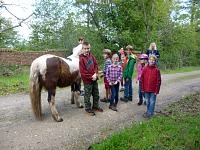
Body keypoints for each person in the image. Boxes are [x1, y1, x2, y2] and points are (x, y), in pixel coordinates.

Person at [79, 41, 103, 116]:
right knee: (87, 95)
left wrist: (95, 74)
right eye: (85, 48)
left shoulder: (92, 56)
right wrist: (91, 76)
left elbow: (96, 65)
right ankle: (87, 108)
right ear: (82, 49)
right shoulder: (81, 59)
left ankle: (95, 106)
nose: (87, 50)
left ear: (90, 48)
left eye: (88, 48)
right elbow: (83, 72)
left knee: (96, 94)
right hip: (87, 81)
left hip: (94, 78)